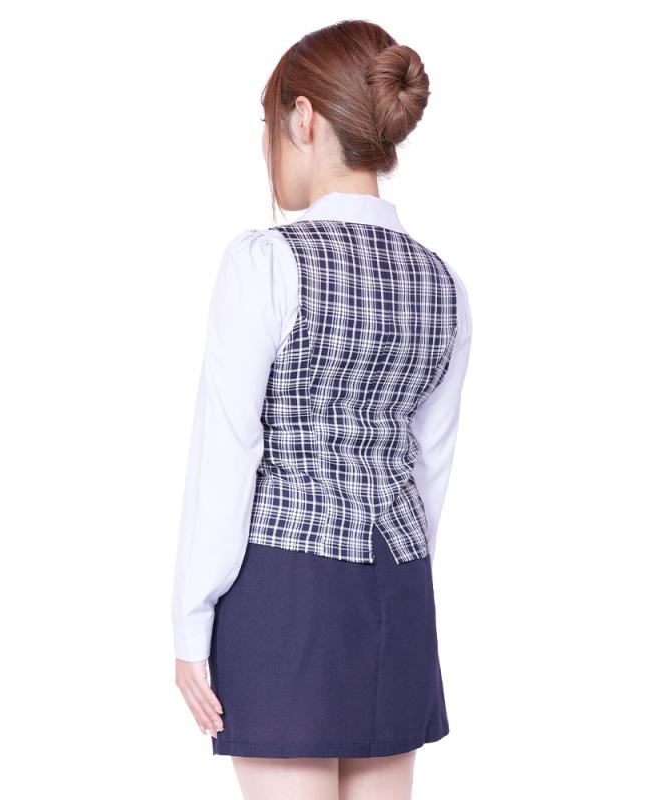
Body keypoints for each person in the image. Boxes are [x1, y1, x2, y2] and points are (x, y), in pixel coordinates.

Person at [172, 19, 473, 800]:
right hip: (398, 594)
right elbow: (430, 470)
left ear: (303, 119)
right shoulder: (442, 285)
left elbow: (228, 450)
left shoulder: (267, 263)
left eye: (267, 124)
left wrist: (191, 620)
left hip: (284, 591)